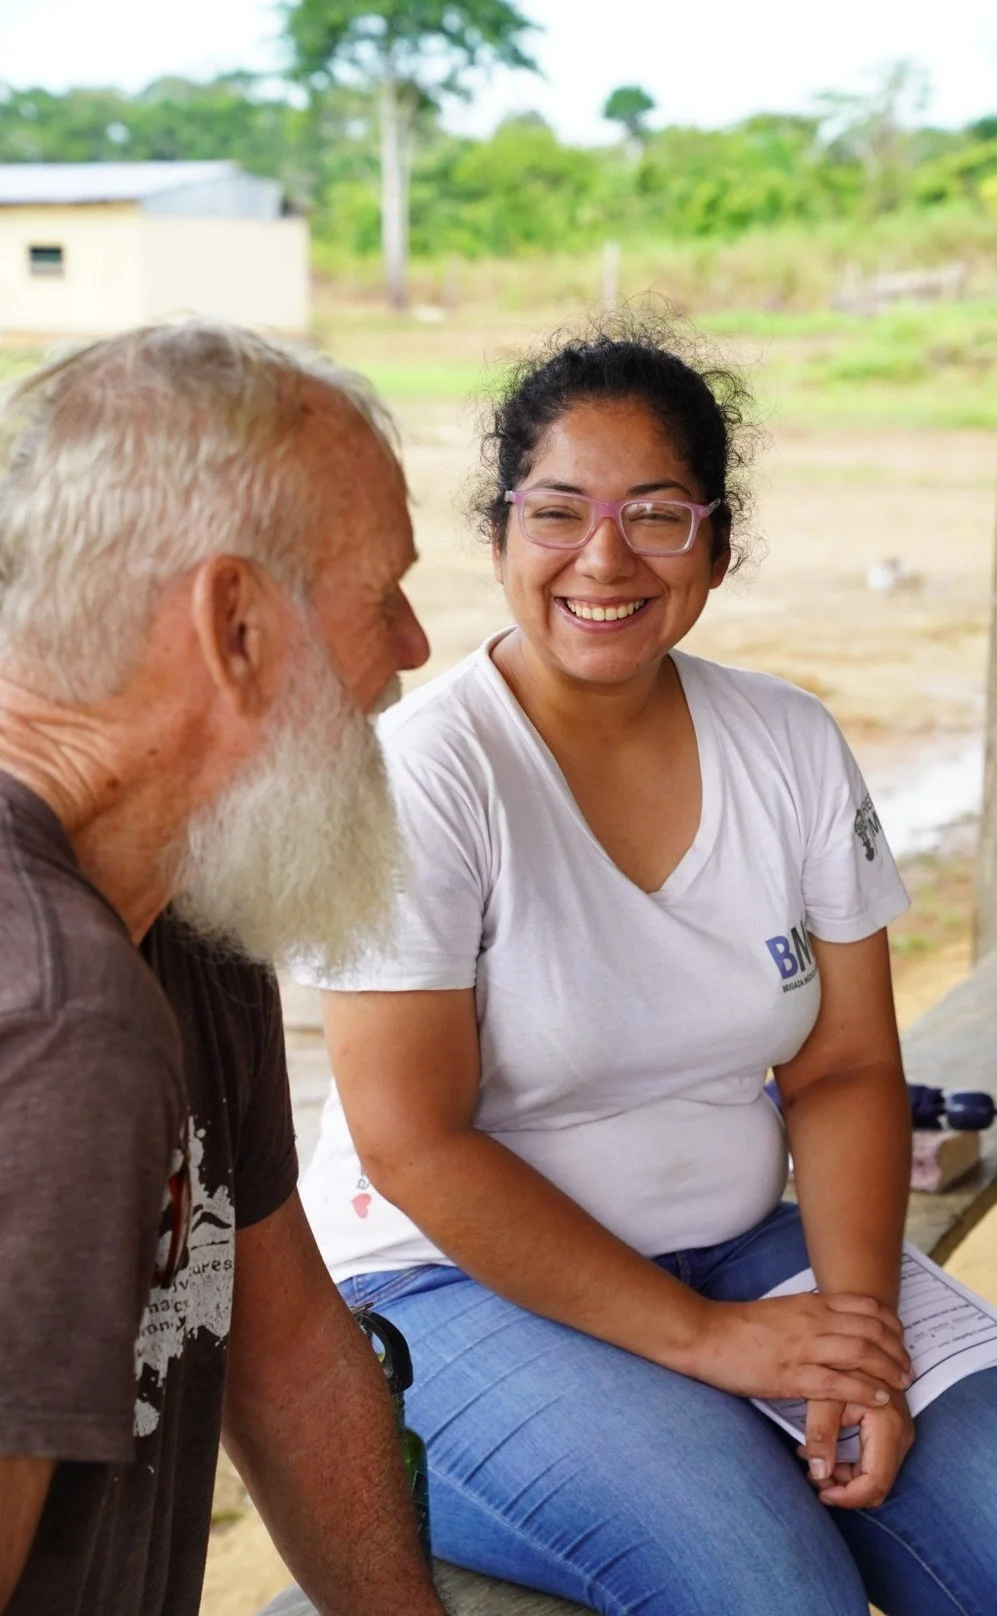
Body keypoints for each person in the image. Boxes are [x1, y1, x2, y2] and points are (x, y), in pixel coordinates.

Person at [297, 323, 997, 1616]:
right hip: (446, 1285)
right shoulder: (428, 774)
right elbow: (411, 1144)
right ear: (498, 535)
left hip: (737, 1248)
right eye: (557, 511)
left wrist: (851, 1337)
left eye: (657, 515)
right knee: (776, 1595)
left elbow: (843, 1069)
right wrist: (710, 1345)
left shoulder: (788, 742)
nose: (604, 558)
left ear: (717, 544)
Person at [0, 324, 447, 1616]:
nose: (413, 647)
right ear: (236, 625)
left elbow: (290, 1355)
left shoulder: (184, 910)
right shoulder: (55, 1019)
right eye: (382, 594)